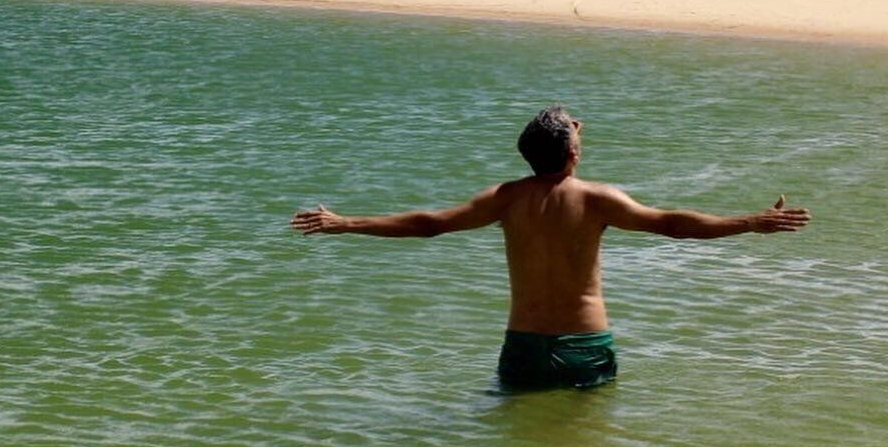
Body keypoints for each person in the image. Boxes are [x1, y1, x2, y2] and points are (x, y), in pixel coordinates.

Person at [291, 105, 810, 391]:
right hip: (585, 347)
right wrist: (750, 222)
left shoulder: (505, 199)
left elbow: (430, 224)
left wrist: (345, 223)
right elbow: (672, 225)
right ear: (574, 154)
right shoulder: (597, 199)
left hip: (523, 349)